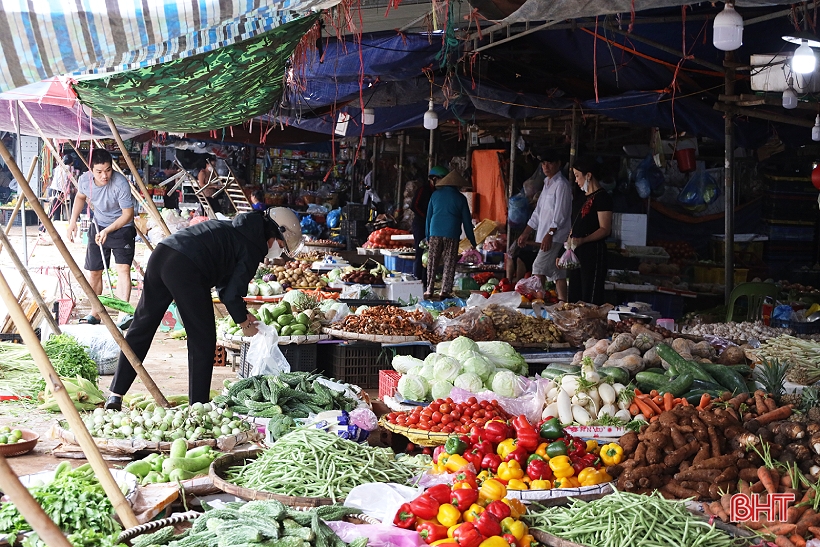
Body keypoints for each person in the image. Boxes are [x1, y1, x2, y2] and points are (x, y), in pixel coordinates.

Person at [104, 208, 304, 409]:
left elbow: (226, 286)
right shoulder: (253, 246)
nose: (278, 251)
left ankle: (115, 394)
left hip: (162, 254)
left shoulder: (235, 229)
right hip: (186, 267)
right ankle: (198, 407)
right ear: (275, 233)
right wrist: (243, 322)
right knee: (203, 338)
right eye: (280, 244)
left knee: (142, 327)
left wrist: (242, 313)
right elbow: (232, 292)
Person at [68, 149, 136, 326]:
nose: (104, 175)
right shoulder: (84, 180)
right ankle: (95, 312)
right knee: (95, 271)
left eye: (108, 170)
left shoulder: (120, 184)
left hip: (121, 228)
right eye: (99, 171)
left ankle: (123, 314)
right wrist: (72, 221)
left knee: (123, 269)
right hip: (98, 225)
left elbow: (127, 214)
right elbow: (80, 197)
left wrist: (108, 231)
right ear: (91, 170)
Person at [517, 150, 572, 302]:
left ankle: (536, 302)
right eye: (543, 163)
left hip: (556, 236)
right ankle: (563, 302)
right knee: (557, 272)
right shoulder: (548, 184)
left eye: (549, 163)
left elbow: (561, 214)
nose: (545, 166)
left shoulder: (562, 185)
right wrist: (526, 232)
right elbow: (537, 212)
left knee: (538, 268)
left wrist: (550, 234)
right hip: (546, 235)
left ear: (558, 164)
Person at [564, 157, 613, 305]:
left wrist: (583, 240)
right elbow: (576, 224)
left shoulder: (602, 198)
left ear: (589, 175)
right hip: (577, 252)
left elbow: (605, 229)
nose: (576, 180)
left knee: (589, 295)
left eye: (578, 175)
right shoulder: (581, 197)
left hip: (593, 253)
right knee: (574, 293)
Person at [425, 170, 476, 300]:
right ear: (458, 185)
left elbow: (428, 218)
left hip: (435, 232)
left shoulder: (435, 195)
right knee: (449, 262)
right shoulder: (461, 198)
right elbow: (467, 222)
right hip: (451, 233)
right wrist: (472, 240)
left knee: (432, 261)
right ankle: (444, 291)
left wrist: (427, 236)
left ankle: (429, 289)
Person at [412, 166, 447, 287]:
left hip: (433, 226)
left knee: (430, 254)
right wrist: (426, 217)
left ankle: (426, 282)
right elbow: (414, 206)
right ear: (434, 178)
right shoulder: (423, 189)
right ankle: (417, 280)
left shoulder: (439, 192)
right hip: (420, 224)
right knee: (420, 252)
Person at [48, 155, 77, 221]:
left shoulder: (58, 167)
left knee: (53, 210)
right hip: (58, 190)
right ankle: (44, 227)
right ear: (71, 162)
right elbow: (71, 179)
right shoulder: (68, 168)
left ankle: (44, 227)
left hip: (53, 189)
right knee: (55, 210)